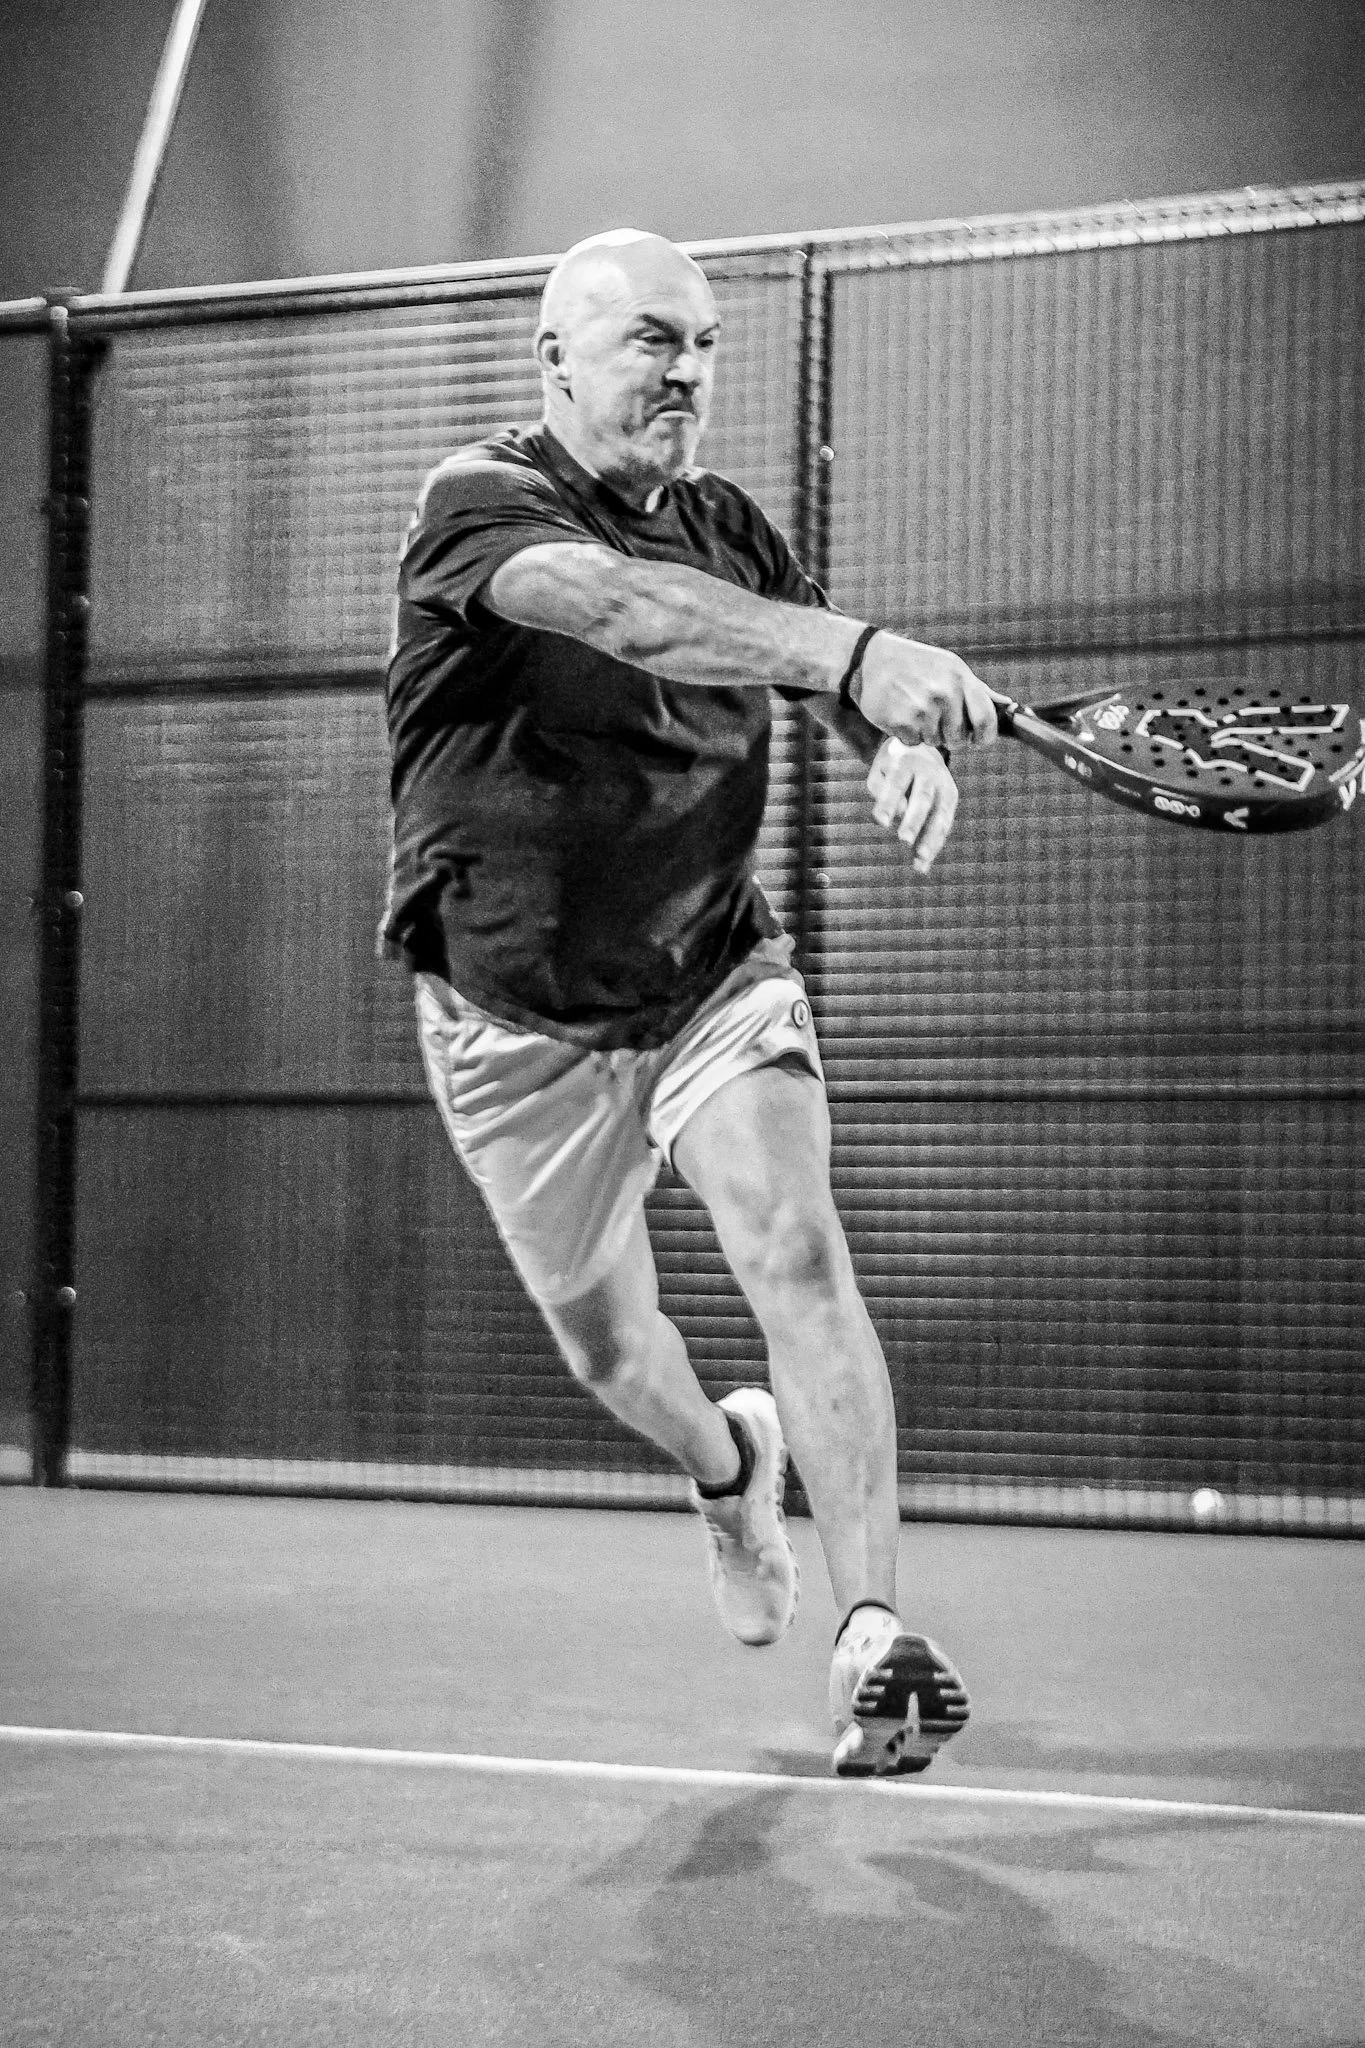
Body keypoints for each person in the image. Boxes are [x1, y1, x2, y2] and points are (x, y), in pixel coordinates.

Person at [381, 228, 997, 1776]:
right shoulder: (480, 504)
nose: (688, 371)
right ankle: (729, 1472)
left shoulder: (731, 524)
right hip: (512, 1020)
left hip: (711, 964)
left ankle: (873, 1634)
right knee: (616, 1355)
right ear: (558, 361)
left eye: (707, 343)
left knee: (794, 1242)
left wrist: (889, 733)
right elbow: (631, 614)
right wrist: (864, 654)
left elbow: (815, 677)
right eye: (654, 339)